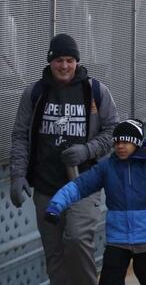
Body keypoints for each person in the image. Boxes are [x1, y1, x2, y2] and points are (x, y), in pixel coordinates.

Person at [10, 33, 119, 285]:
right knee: (55, 252)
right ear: (50, 61)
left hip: (83, 184)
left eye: (70, 60)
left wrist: (88, 150)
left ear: (77, 62)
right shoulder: (35, 93)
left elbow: (114, 131)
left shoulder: (95, 91)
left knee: (77, 239)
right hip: (46, 186)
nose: (64, 66)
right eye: (59, 60)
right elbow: (19, 136)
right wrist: (18, 175)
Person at [45, 119, 146, 285]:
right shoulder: (107, 167)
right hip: (117, 241)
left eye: (125, 142)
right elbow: (78, 186)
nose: (120, 146)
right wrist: (56, 205)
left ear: (137, 143)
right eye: (116, 142)